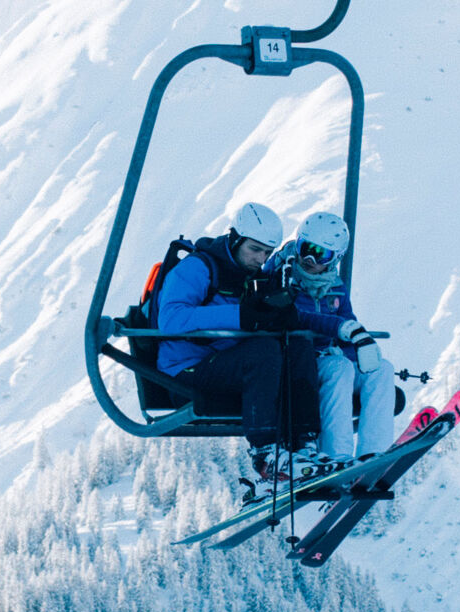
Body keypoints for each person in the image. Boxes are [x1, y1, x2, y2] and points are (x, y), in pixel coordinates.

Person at [149, 202, 327, 478]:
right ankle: (266, 454)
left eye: (267, 252)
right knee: (263, 352)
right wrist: (242, 316)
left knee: (298, 345)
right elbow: (171, 320)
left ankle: (305, 445)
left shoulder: (255, 277)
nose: (260, 258)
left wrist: (277, 315)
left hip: (226, 363)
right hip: (185, 368)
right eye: (254, 249)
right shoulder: (199, 267)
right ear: (235, 239)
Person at [272, 212, 401, 458]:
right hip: (299, 365)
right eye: (305, 248)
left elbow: (347, 322)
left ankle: (373, 454)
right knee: (339, 368)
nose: (309, 258)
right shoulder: (283, 276)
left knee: (381, 370)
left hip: (329, 356)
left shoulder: (335, 286)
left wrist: (357, 348)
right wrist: (341, 333)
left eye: (321, 254)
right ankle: (336, 457)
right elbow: (293, 318)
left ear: (335, 259)